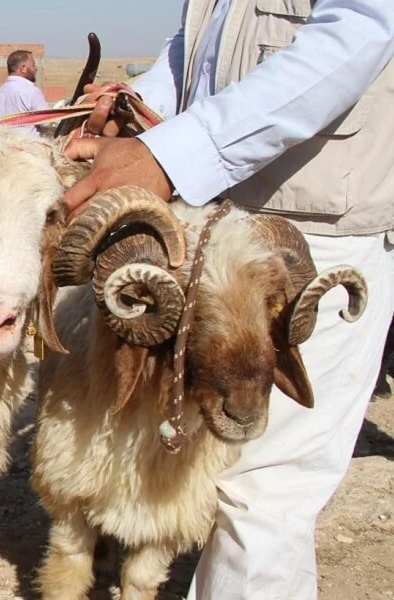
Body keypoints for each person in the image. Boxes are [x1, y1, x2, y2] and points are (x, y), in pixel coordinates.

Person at [61, 1, 394, 598]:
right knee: (217, 472)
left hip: (304, 231)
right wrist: (137, 98)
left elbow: (363, 30)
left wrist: (171, 154)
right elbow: (203, 46)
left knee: (262, 497)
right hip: (212, 212)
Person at [0, 49, 50, 133]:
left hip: (4, 144)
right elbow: (47, 123)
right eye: (33, 65)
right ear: (23, 68)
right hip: (30, 144)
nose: (35, 69)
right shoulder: (32, 91)